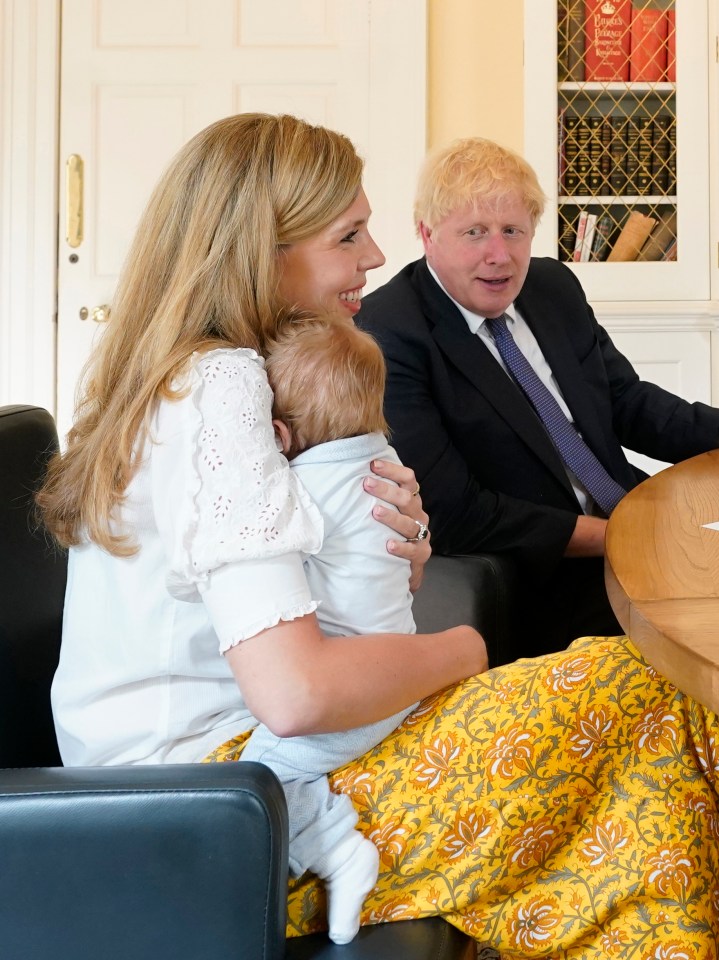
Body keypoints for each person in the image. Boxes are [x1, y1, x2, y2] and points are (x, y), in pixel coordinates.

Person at [37, 114, 719, 957]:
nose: (372, 256)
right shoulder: (223, 386)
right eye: (348, 235)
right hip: (220, 808)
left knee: (639, 733)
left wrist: (387, 552)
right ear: (262, 249)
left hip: (214, 780)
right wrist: (464, 650)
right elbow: (298, 694)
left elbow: (254, 625)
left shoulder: (181, 372)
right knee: (639, 691)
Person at [358, 137, 719, 660]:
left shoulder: (551, 286)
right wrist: (621, 535)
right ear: (426, 234)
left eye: (513, 232)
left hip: (634, 525)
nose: (499, 257)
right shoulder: (387, 332)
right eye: (475, 233)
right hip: (541, 575)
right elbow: (458, 511)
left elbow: (627, 403)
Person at [242, 315, 420, 944]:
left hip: (350, 692)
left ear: (279, 433)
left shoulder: (300, 491)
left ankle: (337, 852)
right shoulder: (388, 464)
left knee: (262, 773)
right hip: (395, 674)